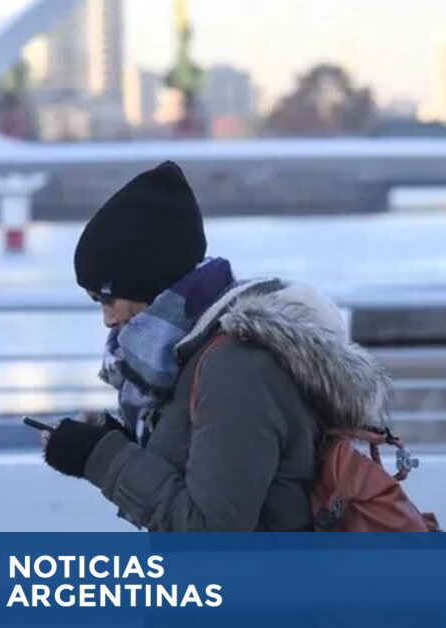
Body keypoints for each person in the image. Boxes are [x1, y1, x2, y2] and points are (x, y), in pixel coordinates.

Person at [38, 160, 391, 532]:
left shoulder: (235, 367)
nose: (108, 320)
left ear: (148, 280)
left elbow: (210, 533)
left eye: (107, 299)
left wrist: (105, 458)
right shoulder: (198, 350)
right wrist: (112, 441)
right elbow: (209, 469)